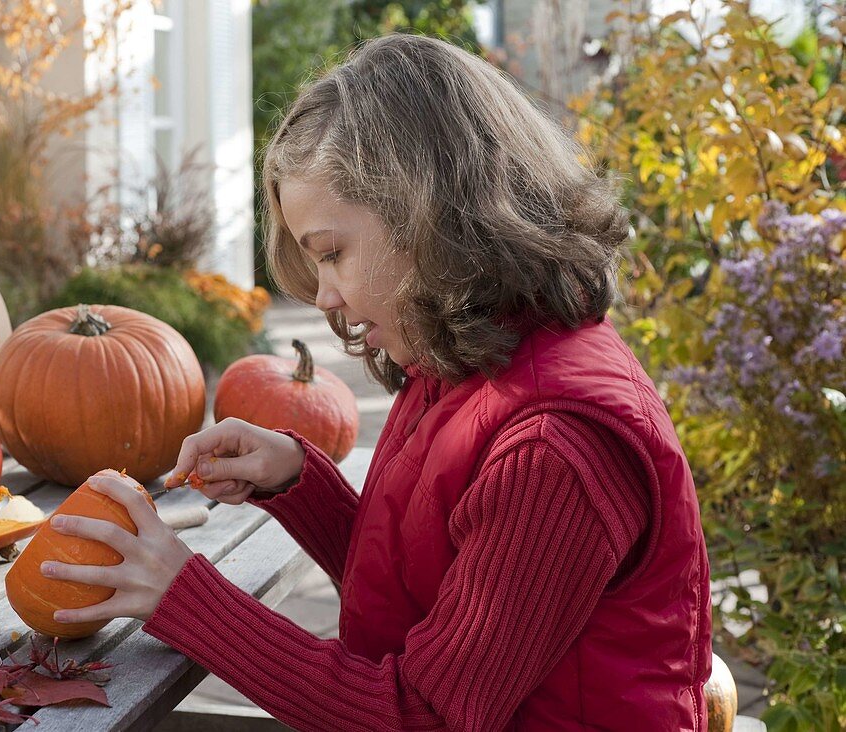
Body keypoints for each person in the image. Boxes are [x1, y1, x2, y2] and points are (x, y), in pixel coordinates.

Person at [38, 34, 713, 730]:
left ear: (431, 215)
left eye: (332, 254)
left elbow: (422, 715)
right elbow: (420, 587)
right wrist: (297, 481)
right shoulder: (468, 364)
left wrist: (183, 596)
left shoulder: (557, 444)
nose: (324, 296)